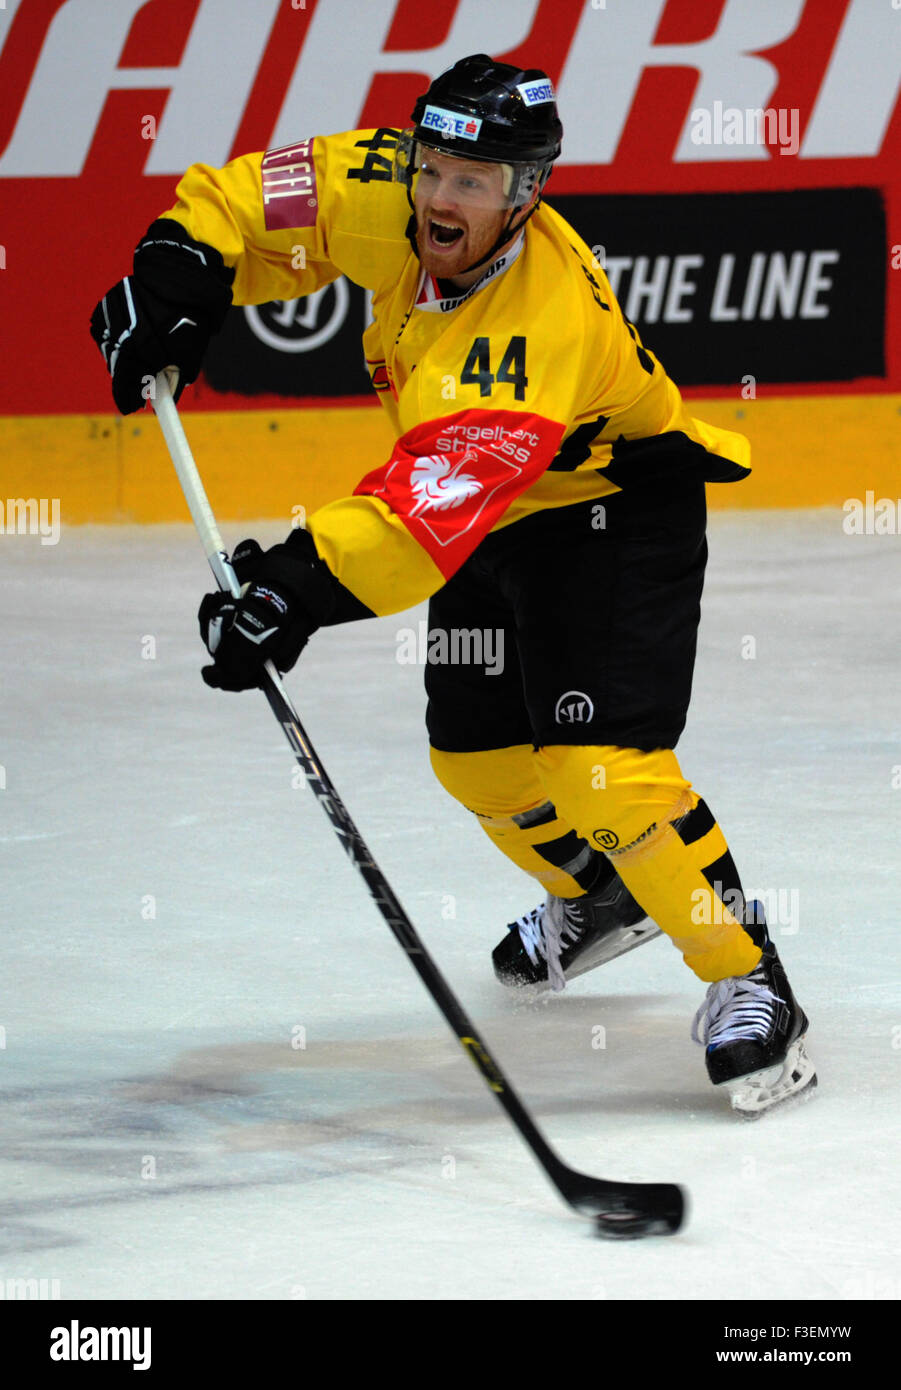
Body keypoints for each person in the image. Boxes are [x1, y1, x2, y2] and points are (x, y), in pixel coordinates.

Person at [90, 54, 816, 1116]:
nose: (440, 197)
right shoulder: (386, 187)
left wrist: (290, 586)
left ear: (526, 193)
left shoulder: (534, 325)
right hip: (483, 509)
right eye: (434, 168)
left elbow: (415, 521)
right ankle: (602, 893)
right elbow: (245, 201)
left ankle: (751, 978)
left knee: (598, 770)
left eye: (473, 183)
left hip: (607, 508)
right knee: (475, 762)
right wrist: (175, 273)